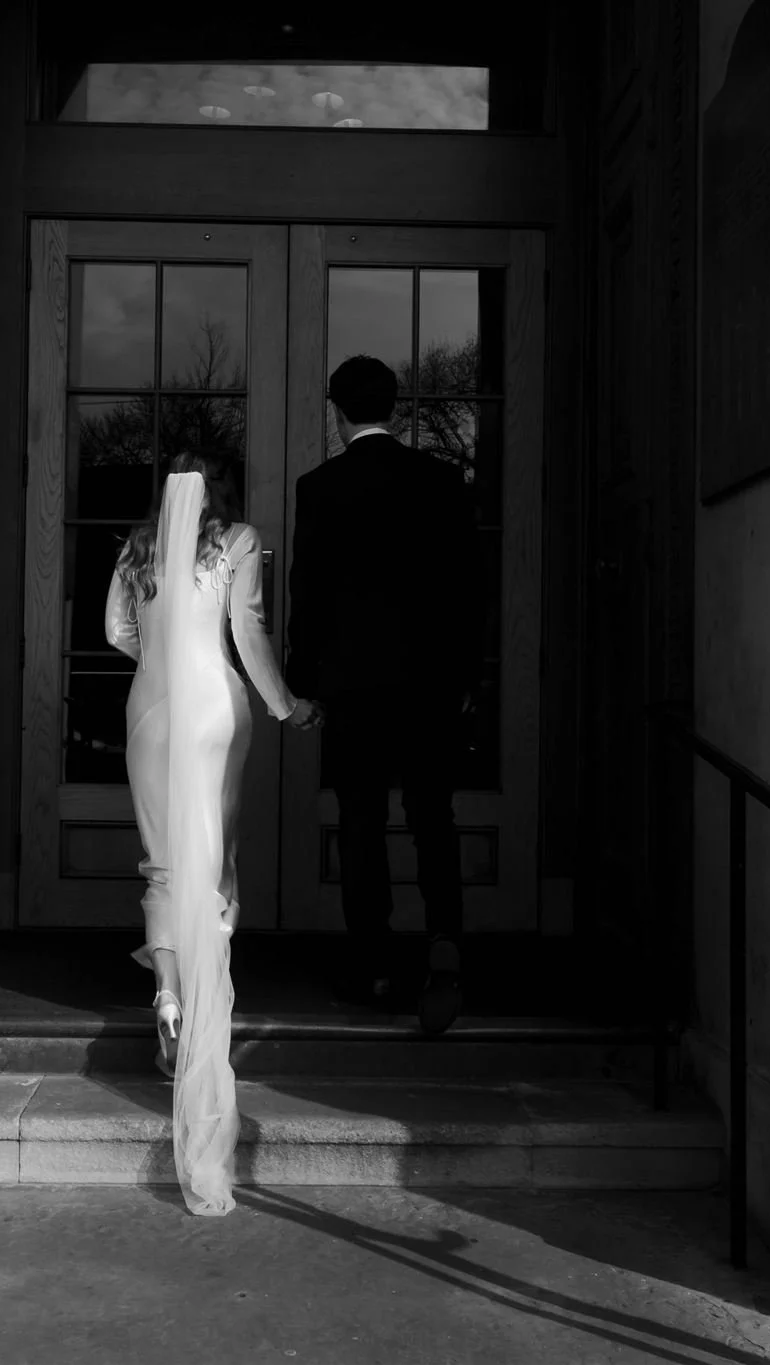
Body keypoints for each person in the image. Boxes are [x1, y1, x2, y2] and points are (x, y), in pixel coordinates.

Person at [103, 449, 320, 1216]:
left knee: (163, 861)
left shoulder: (137, 546)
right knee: (214, 857)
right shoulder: (236, 542)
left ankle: (167, 995)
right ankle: (205, 987)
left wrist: (161, 661)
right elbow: (247, 628)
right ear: (222, 491)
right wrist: (286, 704)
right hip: (216, 713)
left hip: (152, 711)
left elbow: (117, 632)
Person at [287, 355, 480, 1035]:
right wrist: (464, 678)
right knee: (434, 818)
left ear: (338, 411)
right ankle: (444, 942)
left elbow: (305, 595)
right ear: (394, 409)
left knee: (361, 823)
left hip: (355, 688)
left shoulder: (321, 486)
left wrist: (301, 683)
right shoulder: (440, 479)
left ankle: (372, 960)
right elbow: (466, 587)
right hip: (428, 685)